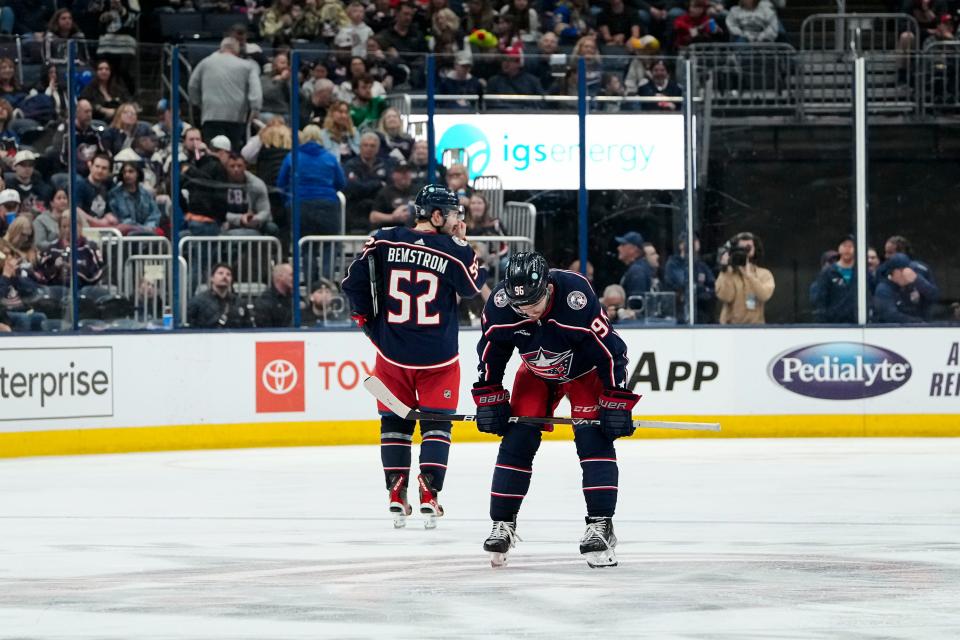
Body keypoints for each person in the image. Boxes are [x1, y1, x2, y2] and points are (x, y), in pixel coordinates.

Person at [472, 252, 637, 568]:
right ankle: (502, 523)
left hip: (586, 373)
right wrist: (489, 393)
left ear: (547, 285)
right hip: (536, 372)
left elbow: (612, 352)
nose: (528, 311)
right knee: (517, 440)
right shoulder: (501, 303)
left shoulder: (576, 296)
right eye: (521, 306)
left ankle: (601, 524)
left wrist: (617, 397)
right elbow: (492, 352)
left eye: (534, 302)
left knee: (593, 437)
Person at [341, 184, 487, 530]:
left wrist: (368, 322)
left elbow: (352, 283)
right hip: (438, 359)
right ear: (437, 215)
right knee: (437, 424)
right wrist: (463, 246)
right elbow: (470, 288)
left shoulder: (383, 239)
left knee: (394, 424)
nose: (457, 221)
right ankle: (429, 491)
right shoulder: (452, 250)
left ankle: (396, 490)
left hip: (391, 354)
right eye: (452, 215)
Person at [188, 37, 263, 152]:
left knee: (212, 152)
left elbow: (192, 86)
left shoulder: (205, 62)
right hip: (236, 117)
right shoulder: (247, 66)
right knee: (232, 154)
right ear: (236, 49)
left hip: (211, 115)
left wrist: (199, 103)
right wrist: (255, 109)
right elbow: (256, 91)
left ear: (221, 48)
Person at [277, 124, 346, 241]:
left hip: (299, 204)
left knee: (303, 245)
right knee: (328, 244)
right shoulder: (330, 157)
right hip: (327, 204)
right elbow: (341, 183)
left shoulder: (292, 157)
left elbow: (281, 183)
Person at [715, 231, 775, 324]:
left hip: (755, 328)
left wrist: (750, 276)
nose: (744, 252)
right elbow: (726, 297)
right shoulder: (728, 273)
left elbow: (764, 295)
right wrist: (725, 269)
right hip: (730, 329)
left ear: (755, 249)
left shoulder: (764, 274)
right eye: (741, 249)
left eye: (748, 248)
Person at [663, 231, 715, 323]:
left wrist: (701, 291)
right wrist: (702, 289)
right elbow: (684, 284)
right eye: (690, 241)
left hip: (702, 315)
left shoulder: (701, 265)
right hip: (679, 315)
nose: (694, 244)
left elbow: (713, 287)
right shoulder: (673, 264)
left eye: (695, 241)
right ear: (681, 245)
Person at [343, 132, 390, 233]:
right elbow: (354, 188)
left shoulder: (385, 165)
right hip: (355, 213)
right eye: (365, 145)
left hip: (378, 212)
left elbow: (388, 188)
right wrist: (378, 184)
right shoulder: (350, 165)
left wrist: (365, 186)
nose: (369, 148)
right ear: (360, 147)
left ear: (377, 148)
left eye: (372, 146)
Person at [873, 253, 939, 323]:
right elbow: (891, 315)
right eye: (902, 271)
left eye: (908, 270)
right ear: (892, 272)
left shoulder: (913, 283)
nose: (906, 274)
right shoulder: (883, 289)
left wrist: (917, 280)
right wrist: (918, 322)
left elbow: (934, 296)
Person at [222, 154, 276, 237]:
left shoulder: (257, 184)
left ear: (245, 166)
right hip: (228, 220)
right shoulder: (220, 182)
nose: (236, 169)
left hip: (252, 221)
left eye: (239, 166)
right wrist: (240, 219)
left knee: (272, 228)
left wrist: (255, 219)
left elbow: (265, 211)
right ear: (226, 167)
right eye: (232, 166)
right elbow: (217, 212)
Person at [187, 262, 253, 328]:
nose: (224, 276)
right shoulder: (198, 302)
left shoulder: (239, 302)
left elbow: (248, 326)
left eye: (228, 274)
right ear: (212, 278)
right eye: (220, 273)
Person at [811, 235, 858, 324]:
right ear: (839, 248)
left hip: (856, 323)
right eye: (844, 245)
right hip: (833, 324)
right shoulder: (828, 273)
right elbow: (820, 300)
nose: (847, 249)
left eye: (851, 246)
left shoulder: (861, 272)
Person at [108, 162, 162, 235]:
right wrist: (140, 228)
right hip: (125, 235)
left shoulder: (146, 194)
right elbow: (119, 219)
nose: (127, 175)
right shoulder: (114, 194)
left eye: (131, 171)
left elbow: (155, 214)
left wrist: (148, 228)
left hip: (148, 234)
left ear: (138, 173)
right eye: (124, 172)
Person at [369, 161, 418, 229]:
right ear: (393, 174)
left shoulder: (419, 190)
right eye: (401, 172)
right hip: (391, 231)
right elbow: (373, 217)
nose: (404, 175)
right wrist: (393, 217)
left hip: (415, 230)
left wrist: (409, 209)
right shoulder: (385, 192)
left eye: (407, 172)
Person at [76, 153, 118, 228]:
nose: (100, 171)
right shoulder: (80, 185)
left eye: (104, 168)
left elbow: (107, 210)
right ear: (90, 166)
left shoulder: (107, 187)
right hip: (84, 229)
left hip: (103, 229)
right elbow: (76, 210)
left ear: (109, 172)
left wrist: (110, 217)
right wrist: (98, 223)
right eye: (97, 166)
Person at [616, 231, 655, 300]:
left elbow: (637, 304)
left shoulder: (637, 271)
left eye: (623, 245)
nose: (618, 248)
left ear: (633, 249)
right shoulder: (640, 267)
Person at [254, 263, 294, 327]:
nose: (295, 278)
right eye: (291, 275)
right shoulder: (265, 301)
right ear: (280, 277)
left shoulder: (295, 298)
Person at [34, 188, 69, 252]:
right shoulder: (41, 220)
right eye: (59, 198)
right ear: (51, 202)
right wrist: (59, 246)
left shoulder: (72, 218)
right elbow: (39, 243)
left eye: (65, 198)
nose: (62, 201)